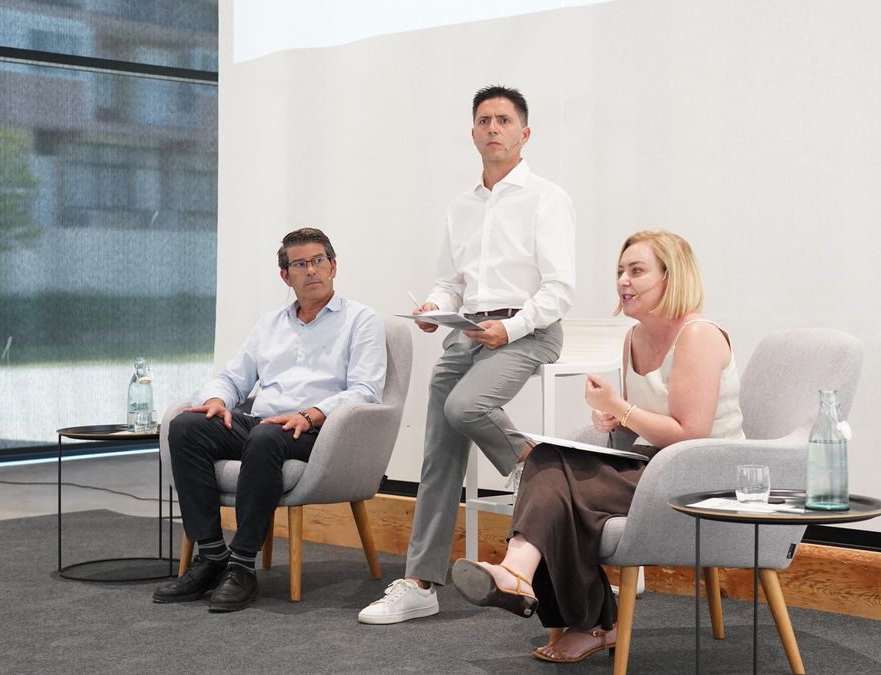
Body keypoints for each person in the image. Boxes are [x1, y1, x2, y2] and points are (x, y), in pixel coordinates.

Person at [451, 229, 745, 663]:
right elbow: (633, 432)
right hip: (659, 465)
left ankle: (577, 613)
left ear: (672, 277)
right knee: (546, 460)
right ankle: (529, 581)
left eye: (637, 271)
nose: (623, 281)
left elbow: (691, 434)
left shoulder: (698, 336)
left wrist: (621, 409)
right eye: (621, 271)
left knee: (556, 476)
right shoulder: (633, 339)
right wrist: (608, 419)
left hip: (706, 475)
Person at [358, 85, 576, 624]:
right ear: (473, 132)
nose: (493, 128)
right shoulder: (461, 206)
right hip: (468, 332)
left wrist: (513, 328)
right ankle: (419, 582)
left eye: (504, 120)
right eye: (484, 120)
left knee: (463, 407)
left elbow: (559, 290)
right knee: (439, 455)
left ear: (525, 134)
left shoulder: (547, 198)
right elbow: (450, 281)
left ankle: (540, 463)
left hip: (530, 329)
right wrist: (436, 307)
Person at [152, 227, 387, 612]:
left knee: (264, 437)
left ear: (333, 266)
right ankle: (212, 556)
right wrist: (217, 399)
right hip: (263, 422)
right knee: (187, 427)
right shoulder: (270, 324)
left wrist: (311, 415)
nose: (311, 270)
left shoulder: (361, 320)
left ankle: (242, 567)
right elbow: (233, 378)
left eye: (318, 261)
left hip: (323, 431)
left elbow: (366, 390)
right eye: (300, 264)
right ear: (285, 276)